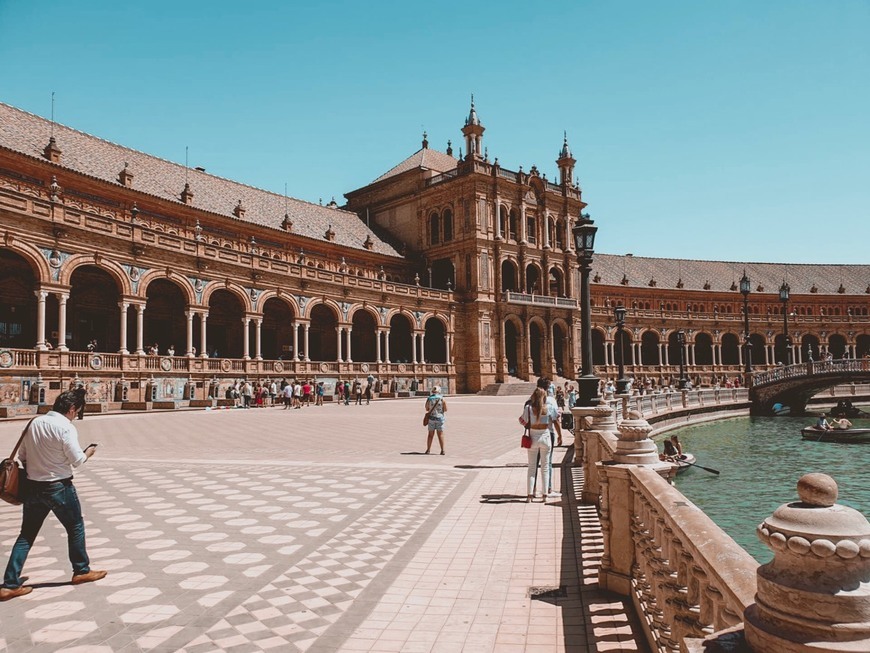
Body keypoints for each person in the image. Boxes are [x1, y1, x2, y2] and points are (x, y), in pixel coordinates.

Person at [0, 391, 107, 601]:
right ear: (71, 409)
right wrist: (89, 452)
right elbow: (77, 461)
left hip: (32, 486)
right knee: (75, 527)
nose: (76, 415)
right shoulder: (66, 427)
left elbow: (22, 456)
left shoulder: (34, 423)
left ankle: (10, 583)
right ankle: (81, 570)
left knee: (26, 535)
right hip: (59, 487)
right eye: (77, 411)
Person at [519, 388, 557, 503]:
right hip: (545, 437)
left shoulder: (529, 408)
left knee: (531, 467)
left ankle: (530, 495)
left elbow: (522, 421)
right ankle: (545, 494)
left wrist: (530, 422)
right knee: (545, 468)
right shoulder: (549, 407)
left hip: (533, 438)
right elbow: (555, 417)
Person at [424, 385, 447, 455]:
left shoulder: (429, 398)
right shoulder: (442, 399)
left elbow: (427, 408)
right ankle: (442, 450)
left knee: (430, 435)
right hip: (440, 418)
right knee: (440, 435)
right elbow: (445, 409)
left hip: (431, 418)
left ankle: (428, 450)